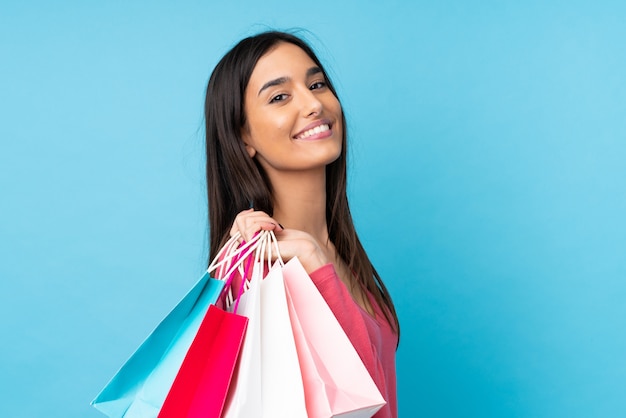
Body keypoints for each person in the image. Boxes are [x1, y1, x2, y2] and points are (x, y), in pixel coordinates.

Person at [204, 30, 400, 417]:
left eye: (317, 84)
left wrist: (315, 256)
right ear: (243, 137)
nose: (313, 104)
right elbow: (362, 395)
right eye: (280, 96)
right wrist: (311, 260)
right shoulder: (261, 274)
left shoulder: (337, 254)